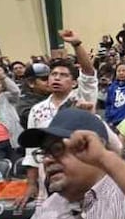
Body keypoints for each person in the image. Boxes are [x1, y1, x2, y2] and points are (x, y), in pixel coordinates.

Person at [18, 30, 98, 207]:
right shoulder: (37, 110)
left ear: (74, 82)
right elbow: (31, 152)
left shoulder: (82, 99)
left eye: (63, 75)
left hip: (81, 173)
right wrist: (31, 184)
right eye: (53, 75)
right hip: (49, 178)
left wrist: (77, 45)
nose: (57, 78)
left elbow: (89, 74)